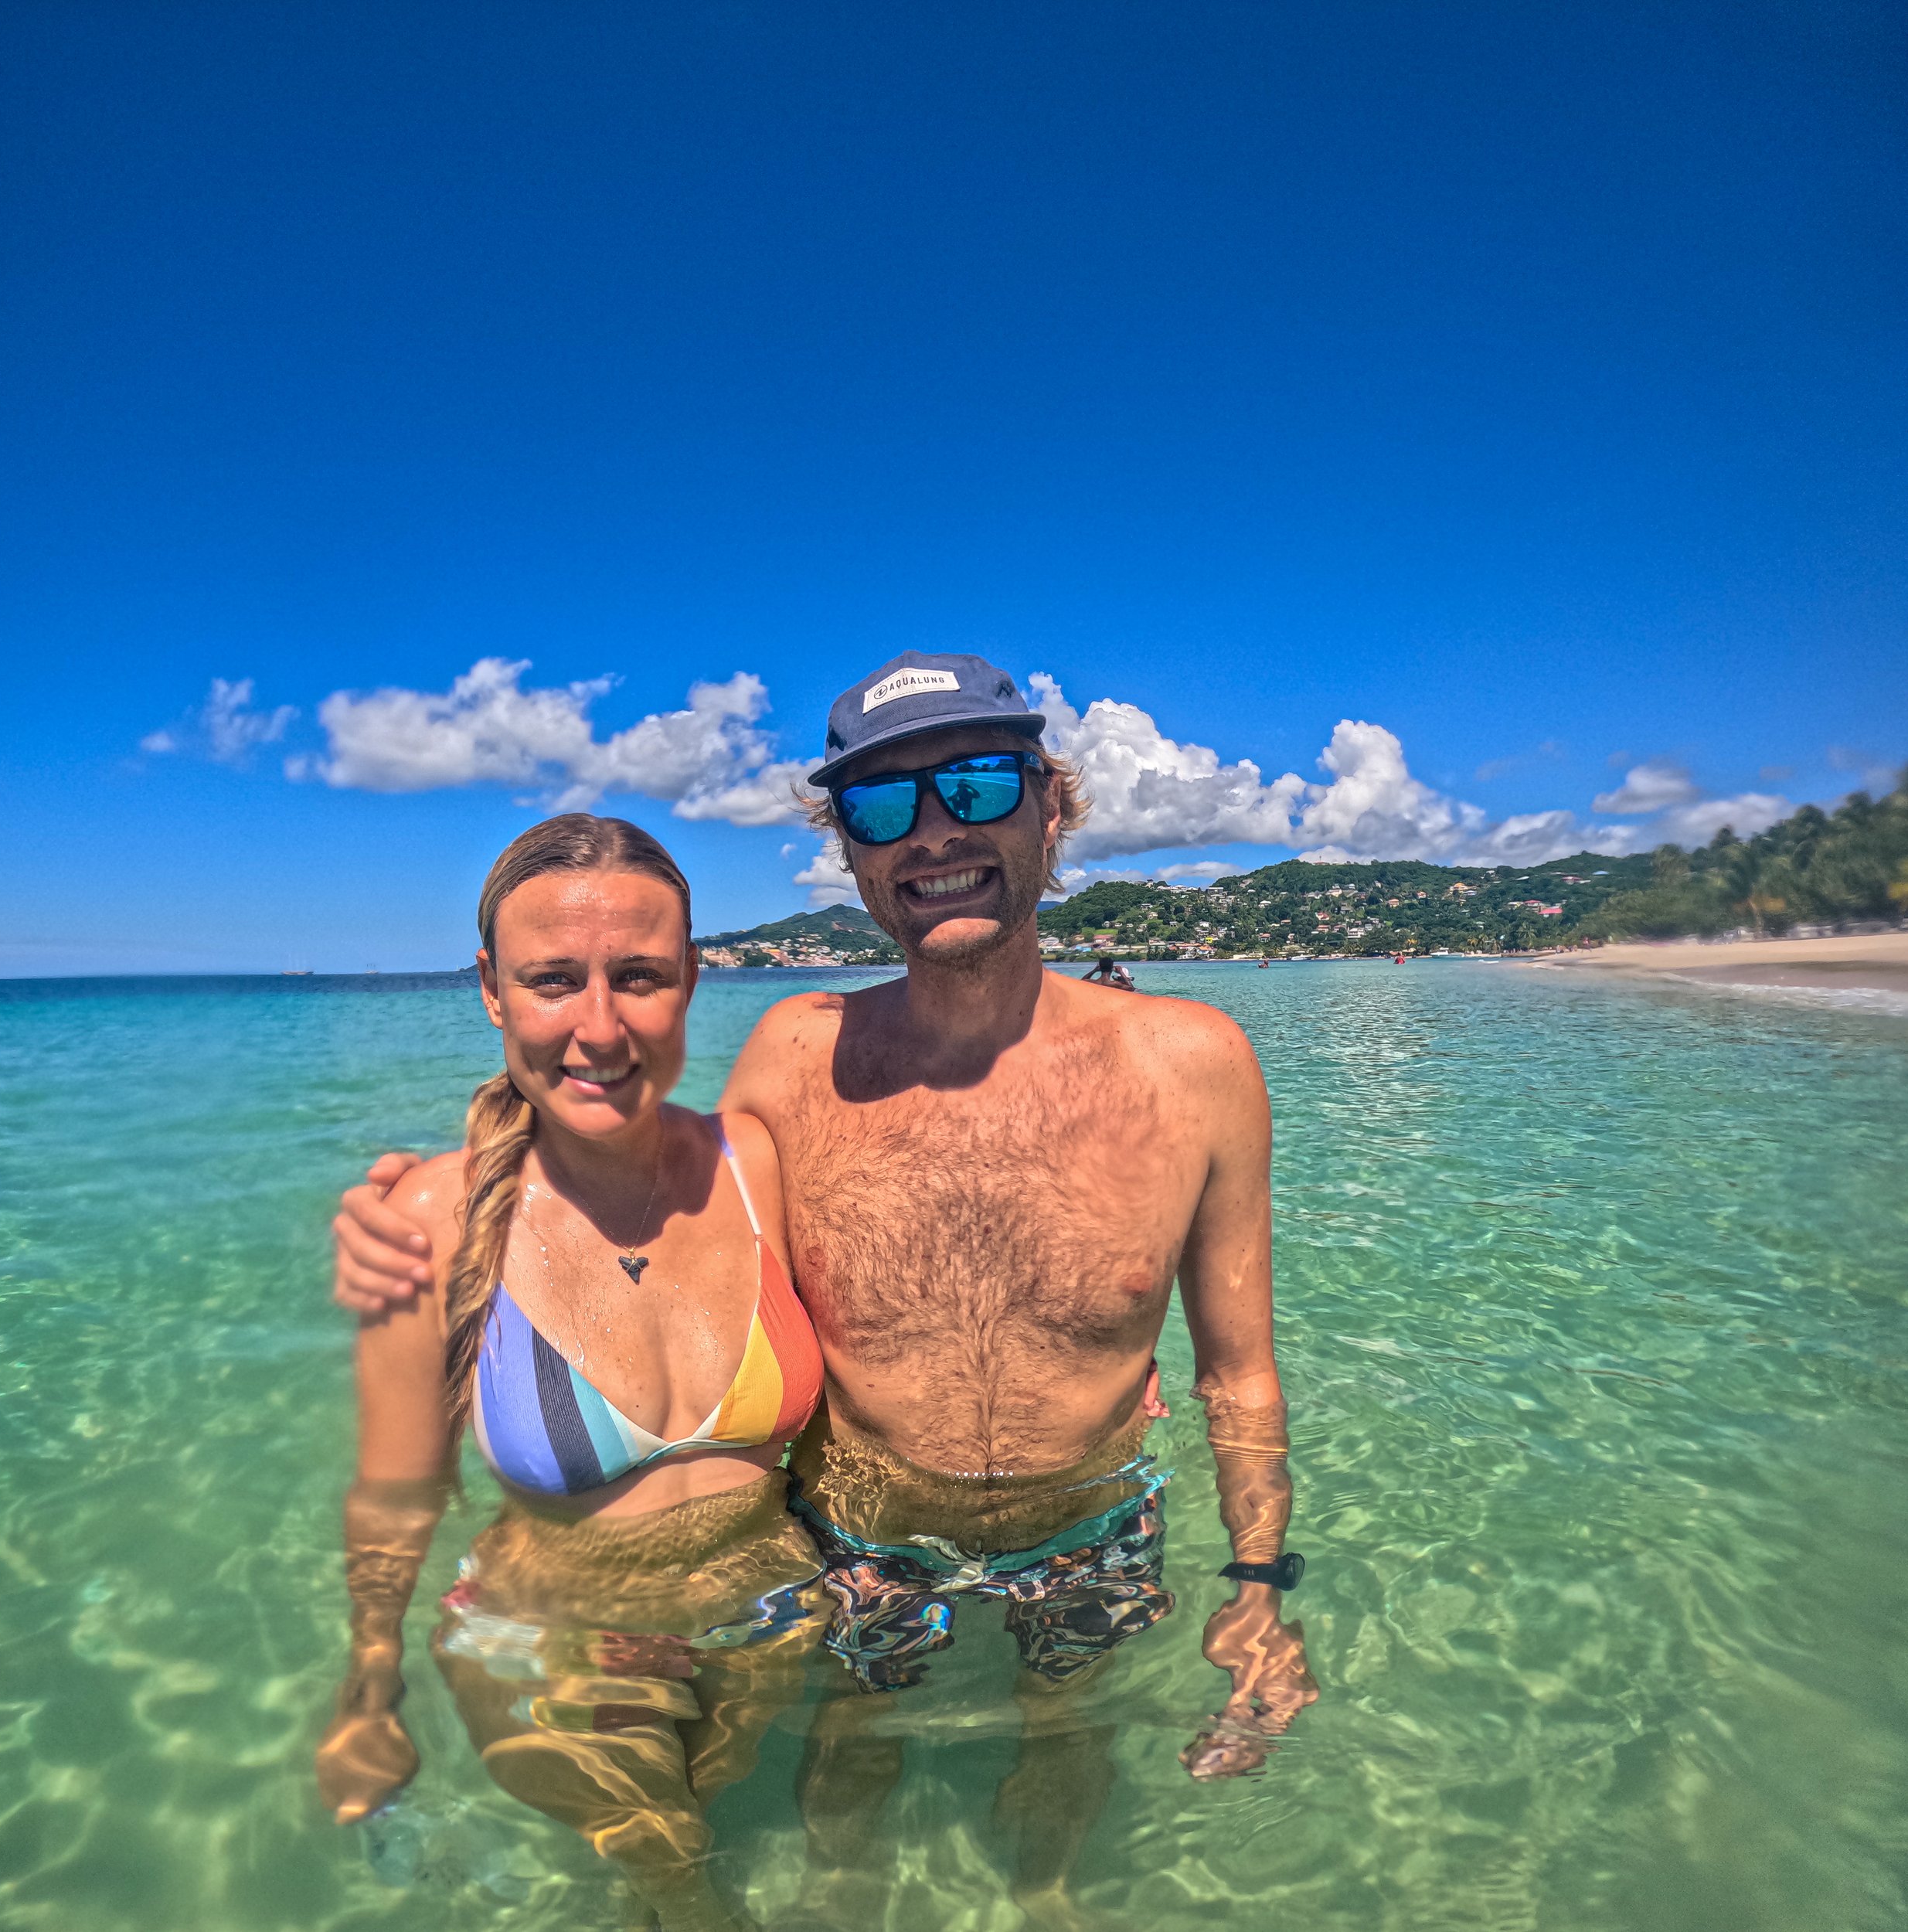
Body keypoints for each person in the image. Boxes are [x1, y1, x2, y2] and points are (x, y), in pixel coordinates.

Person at [332, 652, 1318, 1927]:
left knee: (1066, 1746)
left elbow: (1237, 1372)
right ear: (850, 854)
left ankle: (1050, 1904)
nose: (935, 833)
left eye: (976, 782)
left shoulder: (1198, 1064)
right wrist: (435, 1195)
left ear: (1051, 806)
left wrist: (1259, 1591)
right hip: (855, 1542)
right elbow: (644, 1176)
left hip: (1093, 1523)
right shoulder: (796, 1059)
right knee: (849, 1760)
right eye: (883, 806)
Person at [314, 816, 827, 1932]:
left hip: (767, 1617)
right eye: (553, 980)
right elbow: (395, 1494)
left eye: (639, 976)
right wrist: (369, 1690)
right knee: (680, 1877)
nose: (599, 1028)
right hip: (557, 1637)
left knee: (710, 1837)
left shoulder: (755, 1166)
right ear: (493, 991)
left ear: (693, 978)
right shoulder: (431, 1222)